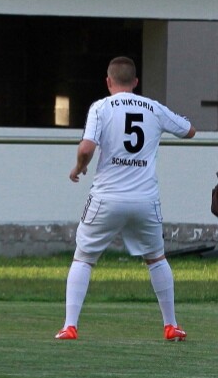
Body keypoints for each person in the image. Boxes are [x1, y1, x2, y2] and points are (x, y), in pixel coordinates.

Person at [55, 56, 195, 342]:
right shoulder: (153, 107)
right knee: (156, 258)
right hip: (145, 200)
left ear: (108, 81)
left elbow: (86, 148)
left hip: (107, 198)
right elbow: (189, 131)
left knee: (84, 258)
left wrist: (79, 167)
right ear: (135, 82)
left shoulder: (101, 107)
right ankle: (170, 325)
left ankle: (70, 326)